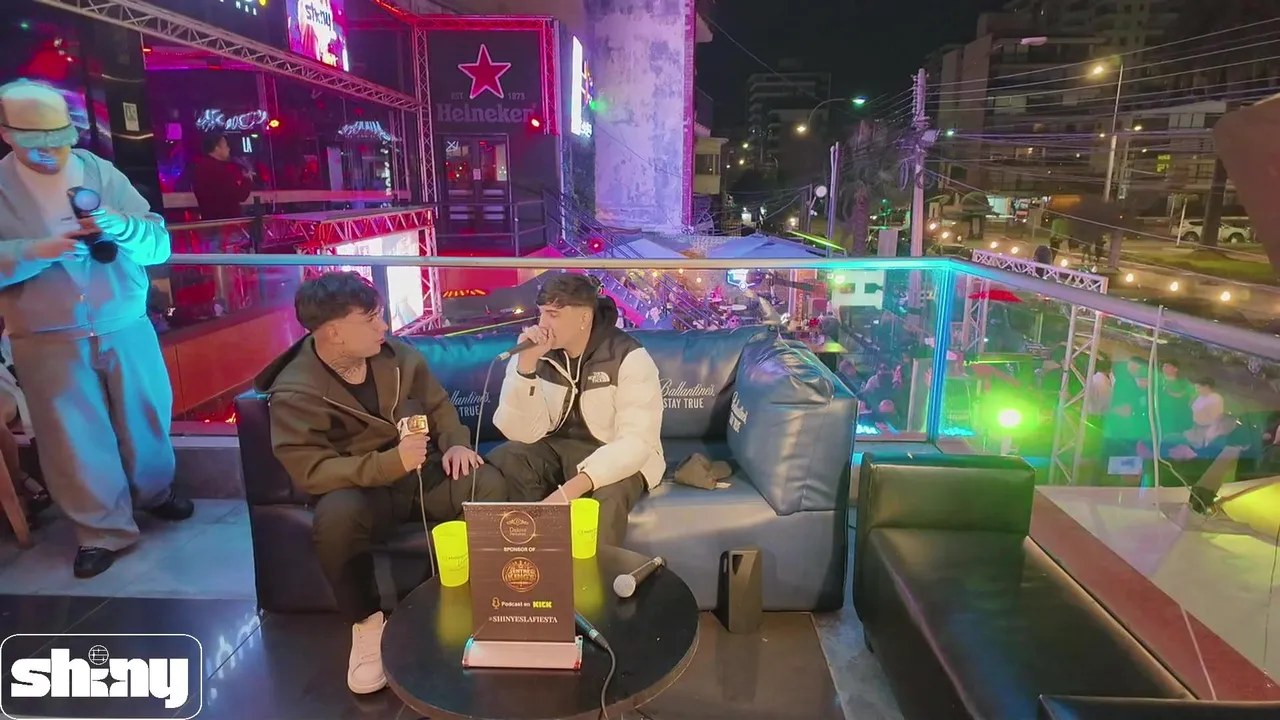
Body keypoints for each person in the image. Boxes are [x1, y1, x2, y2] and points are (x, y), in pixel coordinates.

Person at [254, 271, 506, 696]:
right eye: (371, 319)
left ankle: (484, 602)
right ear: (334, 332)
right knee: (336, 518)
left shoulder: (397, 356)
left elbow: (438, 404)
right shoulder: (297, 390)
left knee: (488, 484)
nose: (384, 327)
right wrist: (389, 464)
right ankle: (367, 623)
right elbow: (312, 470)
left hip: (422, 473)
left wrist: (456, 443)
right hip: (365, 490)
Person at [0, 80, 191, 578]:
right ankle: (100, 531)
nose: (50, 152)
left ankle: (156, 493)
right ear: (7, 134)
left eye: (58, 139)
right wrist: (37, 251)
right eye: (35, 143)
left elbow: (157, 246)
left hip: (124, 320)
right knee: (71, 437)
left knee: (147, 415)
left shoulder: (100, 173)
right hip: (45, 334)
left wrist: (119, 226)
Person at [487, 274, 663, 546]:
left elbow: (637, 443)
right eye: (542, 313)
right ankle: (527, 553)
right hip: (558, 448)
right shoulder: (537, 353)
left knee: (608, 497)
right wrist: (526, 368)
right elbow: (519, 433)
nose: (543, 324)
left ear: (584, 317)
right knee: (507, 458)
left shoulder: (629, 357)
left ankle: (594, 571)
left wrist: (569, 491)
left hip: (618, 452)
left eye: (553, 315)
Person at [190, 132, 253, 221]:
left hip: (209, 222)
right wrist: (247, 179)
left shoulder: (199, 168)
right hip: (226, 223)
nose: (229, 149)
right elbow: (240, 195)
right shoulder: (220, 170)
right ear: (217, 149)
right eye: (225, 146)